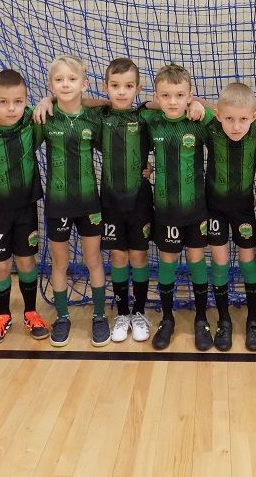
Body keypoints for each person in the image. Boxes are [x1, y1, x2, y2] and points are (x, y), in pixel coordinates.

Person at [33, 55, 110, 348]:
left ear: (84, 84)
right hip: (58, 204)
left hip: (90, 204)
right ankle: (63, 317)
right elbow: (23, 146)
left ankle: (99, 316)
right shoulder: (45, 117)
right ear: (51, 85)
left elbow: (112, 147)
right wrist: (46, 101)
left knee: (93, 260)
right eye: (59, 80)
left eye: (72, 79)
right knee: (60, 262)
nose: (66, 84)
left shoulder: (93, 118)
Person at [0, 69, 47, 345]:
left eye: (18, 101)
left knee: (26, 261)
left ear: (26, 101)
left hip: (26, 207)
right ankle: (3, 315)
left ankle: (31, 312)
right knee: (0, 265)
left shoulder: (31, 121)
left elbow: (68, 103)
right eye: (3, 102)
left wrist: (48, 99)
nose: (11, 108)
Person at [141, 64, 216, 351]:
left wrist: (199, 105)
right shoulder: (152, 121)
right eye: (166, 95)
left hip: (196, 210)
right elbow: (138, 107)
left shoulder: (198, 121)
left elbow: (223, 113)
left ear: (189, 95)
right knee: (168, 263)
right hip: (166, 210)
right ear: (157, 97)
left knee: (197, 261)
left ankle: (201, 319)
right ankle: (167, 318)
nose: (173, 101)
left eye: (180, 95)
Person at [204, 82, 256, 351]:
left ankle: (253, 321)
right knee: (220, 263)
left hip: (244, 210)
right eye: (229, 119)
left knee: (248, 263)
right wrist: (196, 105)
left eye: (242, 120)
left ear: (253, 117)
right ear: (218, 115)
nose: (236, 126)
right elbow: (191, 104)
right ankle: (224, 321)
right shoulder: (211, 125)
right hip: (214, 209)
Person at [97, 58, 153, 344]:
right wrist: (49, 99)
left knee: (139, 256)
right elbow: (74, 102)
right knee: (118, 257)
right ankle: (121, 314)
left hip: (139, 200)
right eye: (115, 85)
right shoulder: (99, 117)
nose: (121, 91)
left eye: (129, 86)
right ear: (105, 86)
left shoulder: (145, 117)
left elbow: (168, 107)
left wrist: (150, 167)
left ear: (138, 89)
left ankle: (139, 312)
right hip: (110, 202)